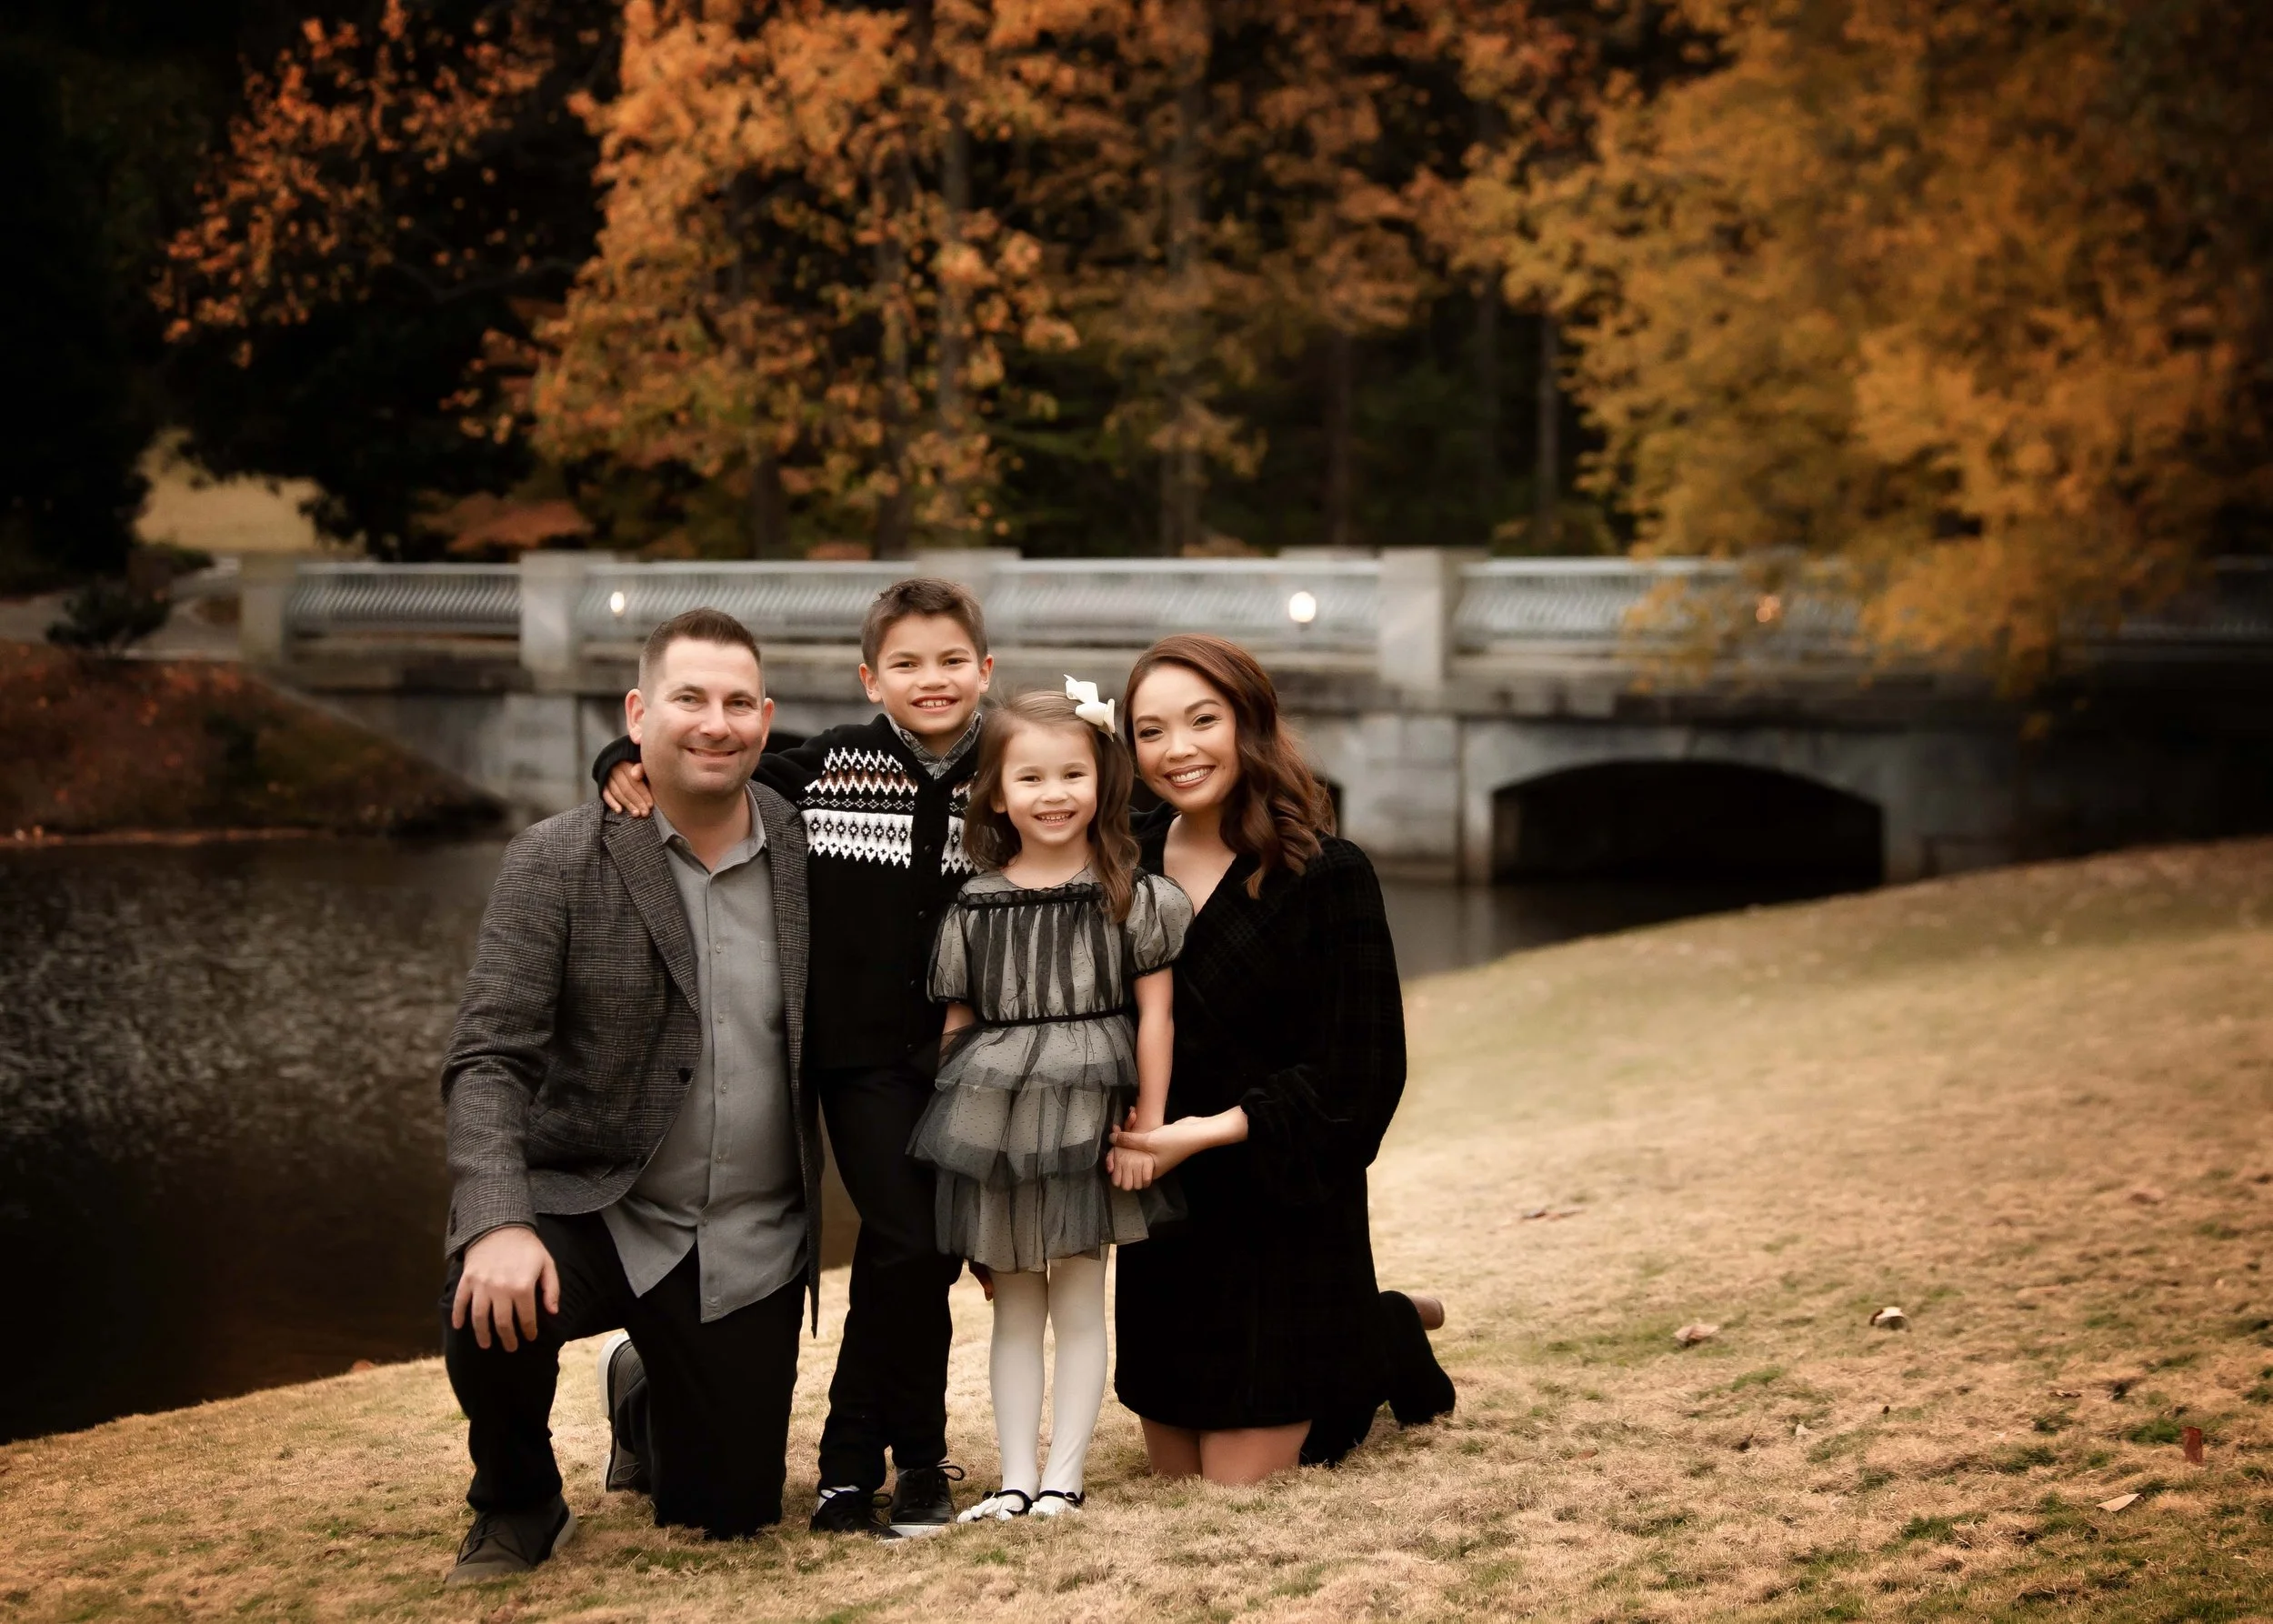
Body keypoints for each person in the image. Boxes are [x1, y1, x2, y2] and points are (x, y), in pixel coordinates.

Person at [594, 577, 990, 1536]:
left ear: (986, 669)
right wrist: (619, 754)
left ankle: (919, 1459)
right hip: (857, 1061)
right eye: (905, 664)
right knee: (909, 1239)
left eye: (950, 662)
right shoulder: (823, 767)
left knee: (925, 1255)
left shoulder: (1015, 761)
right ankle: (854, 1465)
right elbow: (709, 770)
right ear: (869, 677)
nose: (929, 681)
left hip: (969, 1054)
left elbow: (1106, 812)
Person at [437, 607, 821, 1584]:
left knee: (728, 1517)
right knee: (483, 1296)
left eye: (739, 702)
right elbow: (489, 1056)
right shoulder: (556, 859)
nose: (716, 722)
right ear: (638, 713)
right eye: (689, 698)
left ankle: (641, 1387)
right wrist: (495, 1220)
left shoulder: (815, 854)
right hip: (602, 1202)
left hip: (750, 1234)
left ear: (767, 718)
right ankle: (518, 1499)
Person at [1106, 633, 1456, 1484]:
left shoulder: (1327, 874)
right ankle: (1383, 1323)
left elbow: (1361, 1075)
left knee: (1238, 1481)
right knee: (1176, 1474)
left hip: (1283, 1207)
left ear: (1249, 722)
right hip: (1164, 1212)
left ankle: (1374, 1337)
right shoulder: (1119, 863)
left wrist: (1212, 1131)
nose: (1177, 750)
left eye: (1202, 721)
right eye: (1150, 732)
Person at [908, 684, 1192, 1522]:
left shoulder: (1130, 894)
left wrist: (1151, 1121)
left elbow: (1157, 1015)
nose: (1054, 794)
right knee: (1013, 1303)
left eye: (1073, 773)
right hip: (1000, 1133)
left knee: (1077, 1293)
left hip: (1091, 1118)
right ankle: (1013, 1480)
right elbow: (958, 1033)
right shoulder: (975, 904)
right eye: (1030, 778)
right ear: (997, 793)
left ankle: (1064, 1476)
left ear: (1102, 780)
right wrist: (968, 1153)